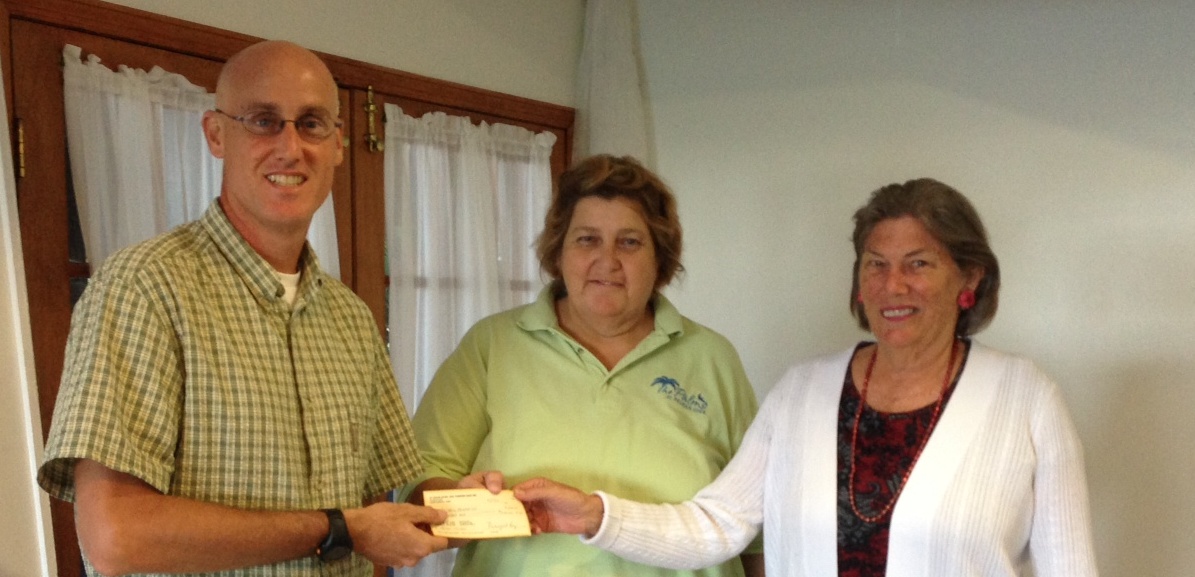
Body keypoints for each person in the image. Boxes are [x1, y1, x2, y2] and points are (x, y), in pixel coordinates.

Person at [514, 178, 1099, 576]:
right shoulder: (802, 392)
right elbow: (716, 525)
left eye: (919, 263)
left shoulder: (1027, 400)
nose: (893, 285)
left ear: (967, 278)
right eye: (876, 264)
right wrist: (593, 514)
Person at [37, 40, 448, 577]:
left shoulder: (350, 318)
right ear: (216, 134)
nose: (290, 146)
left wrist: (473, 504)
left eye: (312, 123)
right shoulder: (145, 288)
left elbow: (377, 509)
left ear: (340, 144)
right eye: (263, 121)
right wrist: (335, 529)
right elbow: (118, 536)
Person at [401, 154, 763, 576]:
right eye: (587, 239)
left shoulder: (713, 357)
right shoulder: (493, 345)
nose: (607, 260)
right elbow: (417, 489)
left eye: (629, 242)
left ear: (660, 259)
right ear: (558, 252)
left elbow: (754, 530)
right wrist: (461, 500)